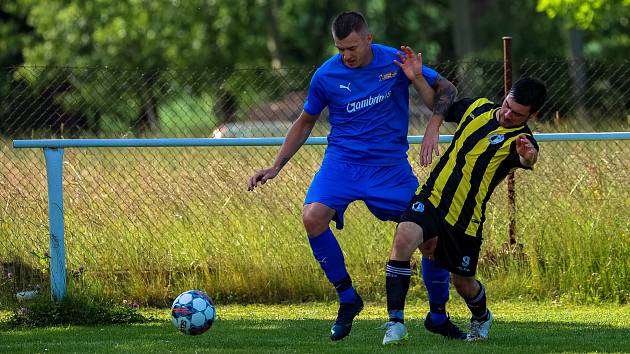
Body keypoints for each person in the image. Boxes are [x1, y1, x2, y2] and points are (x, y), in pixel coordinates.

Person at [247, 11, 460, 341]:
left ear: (368, 39)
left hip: (389, 167)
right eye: (339, 49)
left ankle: (438, 315)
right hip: (342, 164)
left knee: (430, 236)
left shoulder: (396, 60)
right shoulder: (326, 75)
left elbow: (446, 88)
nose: (346, 55)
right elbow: (305, 121)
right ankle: (348, 298)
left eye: (351, 48)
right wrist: (276, 165)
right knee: (312, 217)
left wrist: (432, 125)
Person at [382, 77, 547, 345]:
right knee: (404, 237)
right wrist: (416, 78)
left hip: (464, 219)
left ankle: (481, 316)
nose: (507, 114)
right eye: (507, 105)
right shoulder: (478, 107)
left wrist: (529, 157)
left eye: (517, 113)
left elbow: (528, 158)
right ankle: (396, 323)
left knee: (463, 283)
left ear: (532, 115)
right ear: (505, 96)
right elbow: (441, 106)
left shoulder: (521, 139)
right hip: (432, 196)